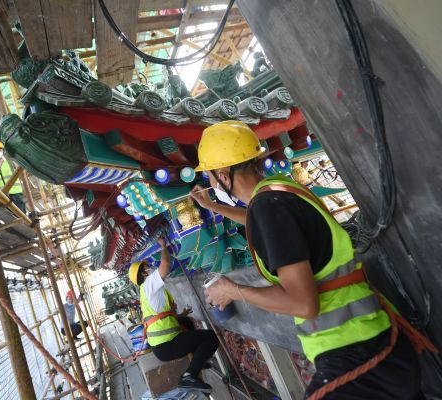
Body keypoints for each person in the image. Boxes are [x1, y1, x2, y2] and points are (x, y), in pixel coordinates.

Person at [193, 121, 431, 399]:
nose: (211, 184)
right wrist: (212, 206)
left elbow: (303, 304)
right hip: (375, 342)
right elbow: (260, 224)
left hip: (355, 354)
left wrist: (232, 291)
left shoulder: (267, 209)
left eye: (210, 177)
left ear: (223, 175)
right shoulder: (279, 193)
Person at [128, 238, 218, 393]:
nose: (150, 269)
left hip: (163, 345)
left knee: (187, 323)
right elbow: (165, 265)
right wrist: (164, 246)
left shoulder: (148, 291)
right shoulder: (148, 284)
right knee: (211, 338)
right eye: (147, 268)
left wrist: (182, 315)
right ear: (143, 273)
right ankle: (189, 376)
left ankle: (197, 361)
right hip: (166, 345)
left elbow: (160, 318)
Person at [0, 142, 26, 213]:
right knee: (7, 217)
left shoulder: (11, 163)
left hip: (16, 195)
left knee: (21, 215)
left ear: (3, 151)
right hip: (0, 198)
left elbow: (23, 169)